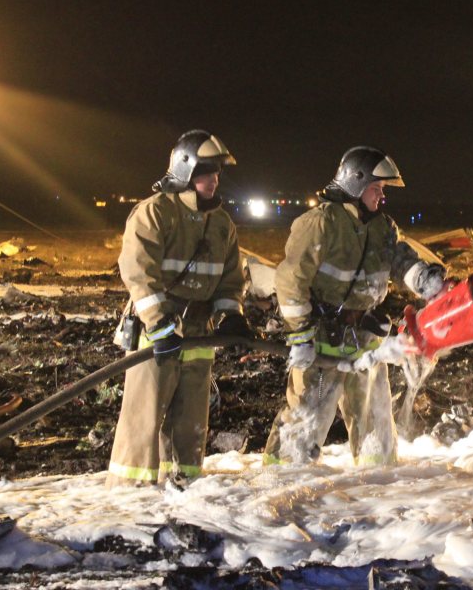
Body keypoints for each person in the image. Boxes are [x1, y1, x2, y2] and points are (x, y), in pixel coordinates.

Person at [264, 146, 446, 466]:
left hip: (365, 337)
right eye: (377, 189)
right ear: (356, 183)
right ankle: (280, 482)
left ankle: (377, 482)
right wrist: (300, 337)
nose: (382, 196)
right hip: (322, 336)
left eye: (383, 190)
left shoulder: (382, 226)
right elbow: (290, 282)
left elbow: (400, 258)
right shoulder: (320, 223)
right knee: (308, 416)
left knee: (374, 416)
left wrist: (425, 280)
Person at [107, 129, 251, 487]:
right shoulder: (154, 213)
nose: (215, 180)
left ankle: (187, 484)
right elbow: (139, 273)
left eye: (217, 172)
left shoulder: (220, 224)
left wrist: (232, 315)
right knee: (145, 416)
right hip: (158, 331)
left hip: (199, 331)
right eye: (206, 172)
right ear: (185, 171)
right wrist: (159, 325)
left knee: (191, 418)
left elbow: (231, 278)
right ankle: (131, 490)